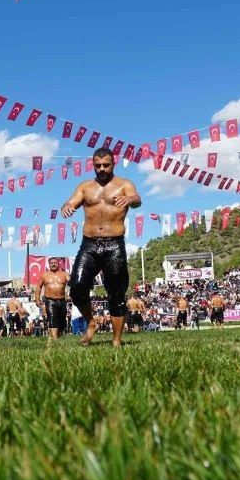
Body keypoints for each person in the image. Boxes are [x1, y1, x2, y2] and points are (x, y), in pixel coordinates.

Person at [60, 147, 141, 347]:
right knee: (77, 287)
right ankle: (91, 323)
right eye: (98, 166)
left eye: (106, 165)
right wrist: (66, 207)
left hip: (114, 244)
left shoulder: (124, 185)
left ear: (113, 163)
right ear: (93, 165)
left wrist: (129, 199)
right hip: (89, 244)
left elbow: (137, 200)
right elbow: (71, 202)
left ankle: (116, 340)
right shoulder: (85, 187)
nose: (102, 169)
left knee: (117, 292)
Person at [34, 257, 70, 339]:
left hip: (62, 300)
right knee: (52, 318)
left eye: (55, 263)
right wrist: (37, 299)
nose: (53, 264)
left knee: (62, 321)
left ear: (58, 264)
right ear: (49, 265)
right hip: (50, 299)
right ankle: (55, 338)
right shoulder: (44, 275)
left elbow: (71, 283)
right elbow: (39, 287)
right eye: (52, 263)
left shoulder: (64, 274)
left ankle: (57, 335)